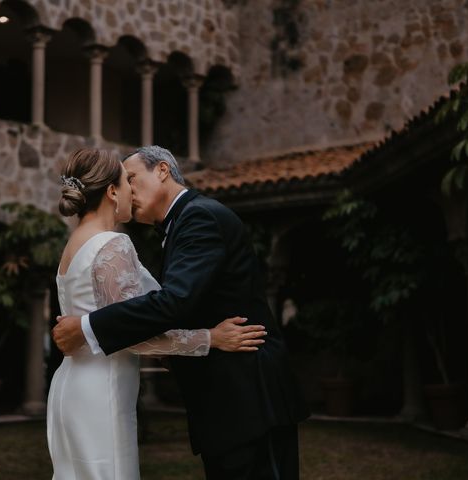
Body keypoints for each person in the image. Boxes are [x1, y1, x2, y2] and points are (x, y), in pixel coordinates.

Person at [54, 145, 310, 480]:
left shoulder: (198, 216)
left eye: (133, 178)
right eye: (125, 181)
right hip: (221, 404)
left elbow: (174, 301)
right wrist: (205, 339)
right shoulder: (154, 232)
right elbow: (167, 308)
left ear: (162, 170)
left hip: (249, 395)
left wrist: (87, 327)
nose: (130, 189)